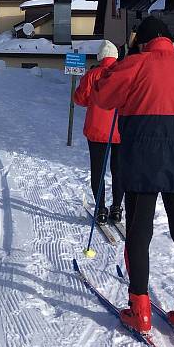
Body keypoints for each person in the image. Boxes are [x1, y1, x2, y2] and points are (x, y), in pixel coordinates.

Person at [93, 16, 174, 335]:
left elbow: (104, 98)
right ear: (171, 41)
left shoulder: (133, 65)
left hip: (142, 159)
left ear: (143, 42)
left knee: (139, 231)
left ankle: (139, 309)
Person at [73, 40, 122, 224]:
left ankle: (101, 209)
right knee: (119, 170)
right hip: (120, 129)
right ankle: (117, 208)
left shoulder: (93, 75)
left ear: (100, 57)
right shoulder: (124, 74)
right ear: (116, 56)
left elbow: (80, 98)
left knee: (98, 170)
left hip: (97, 129)